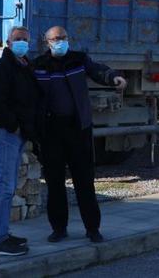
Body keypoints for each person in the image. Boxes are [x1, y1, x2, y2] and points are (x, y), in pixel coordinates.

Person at [33, 26, 126, 244]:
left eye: (63, 38)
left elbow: (98, 70)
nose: (60, 42)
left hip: (78, 130)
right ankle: (59, 228)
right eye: (56, 39)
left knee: (84, 182)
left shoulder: (78, 60)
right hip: (51, 132)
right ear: (47, 42)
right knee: (55, 183)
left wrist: (114, 78)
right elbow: (27, 92)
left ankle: (93, 229)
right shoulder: (39, 66)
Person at [0, 26, 42, 256]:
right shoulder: (1, 69)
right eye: (17, 39)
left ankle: (3, 233)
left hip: (16, 134)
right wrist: (13, 124)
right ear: (8, 43)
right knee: (4, 187)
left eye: (25, 40)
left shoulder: (25, 67)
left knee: (7, 187)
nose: (21, 43)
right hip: (7, 133)